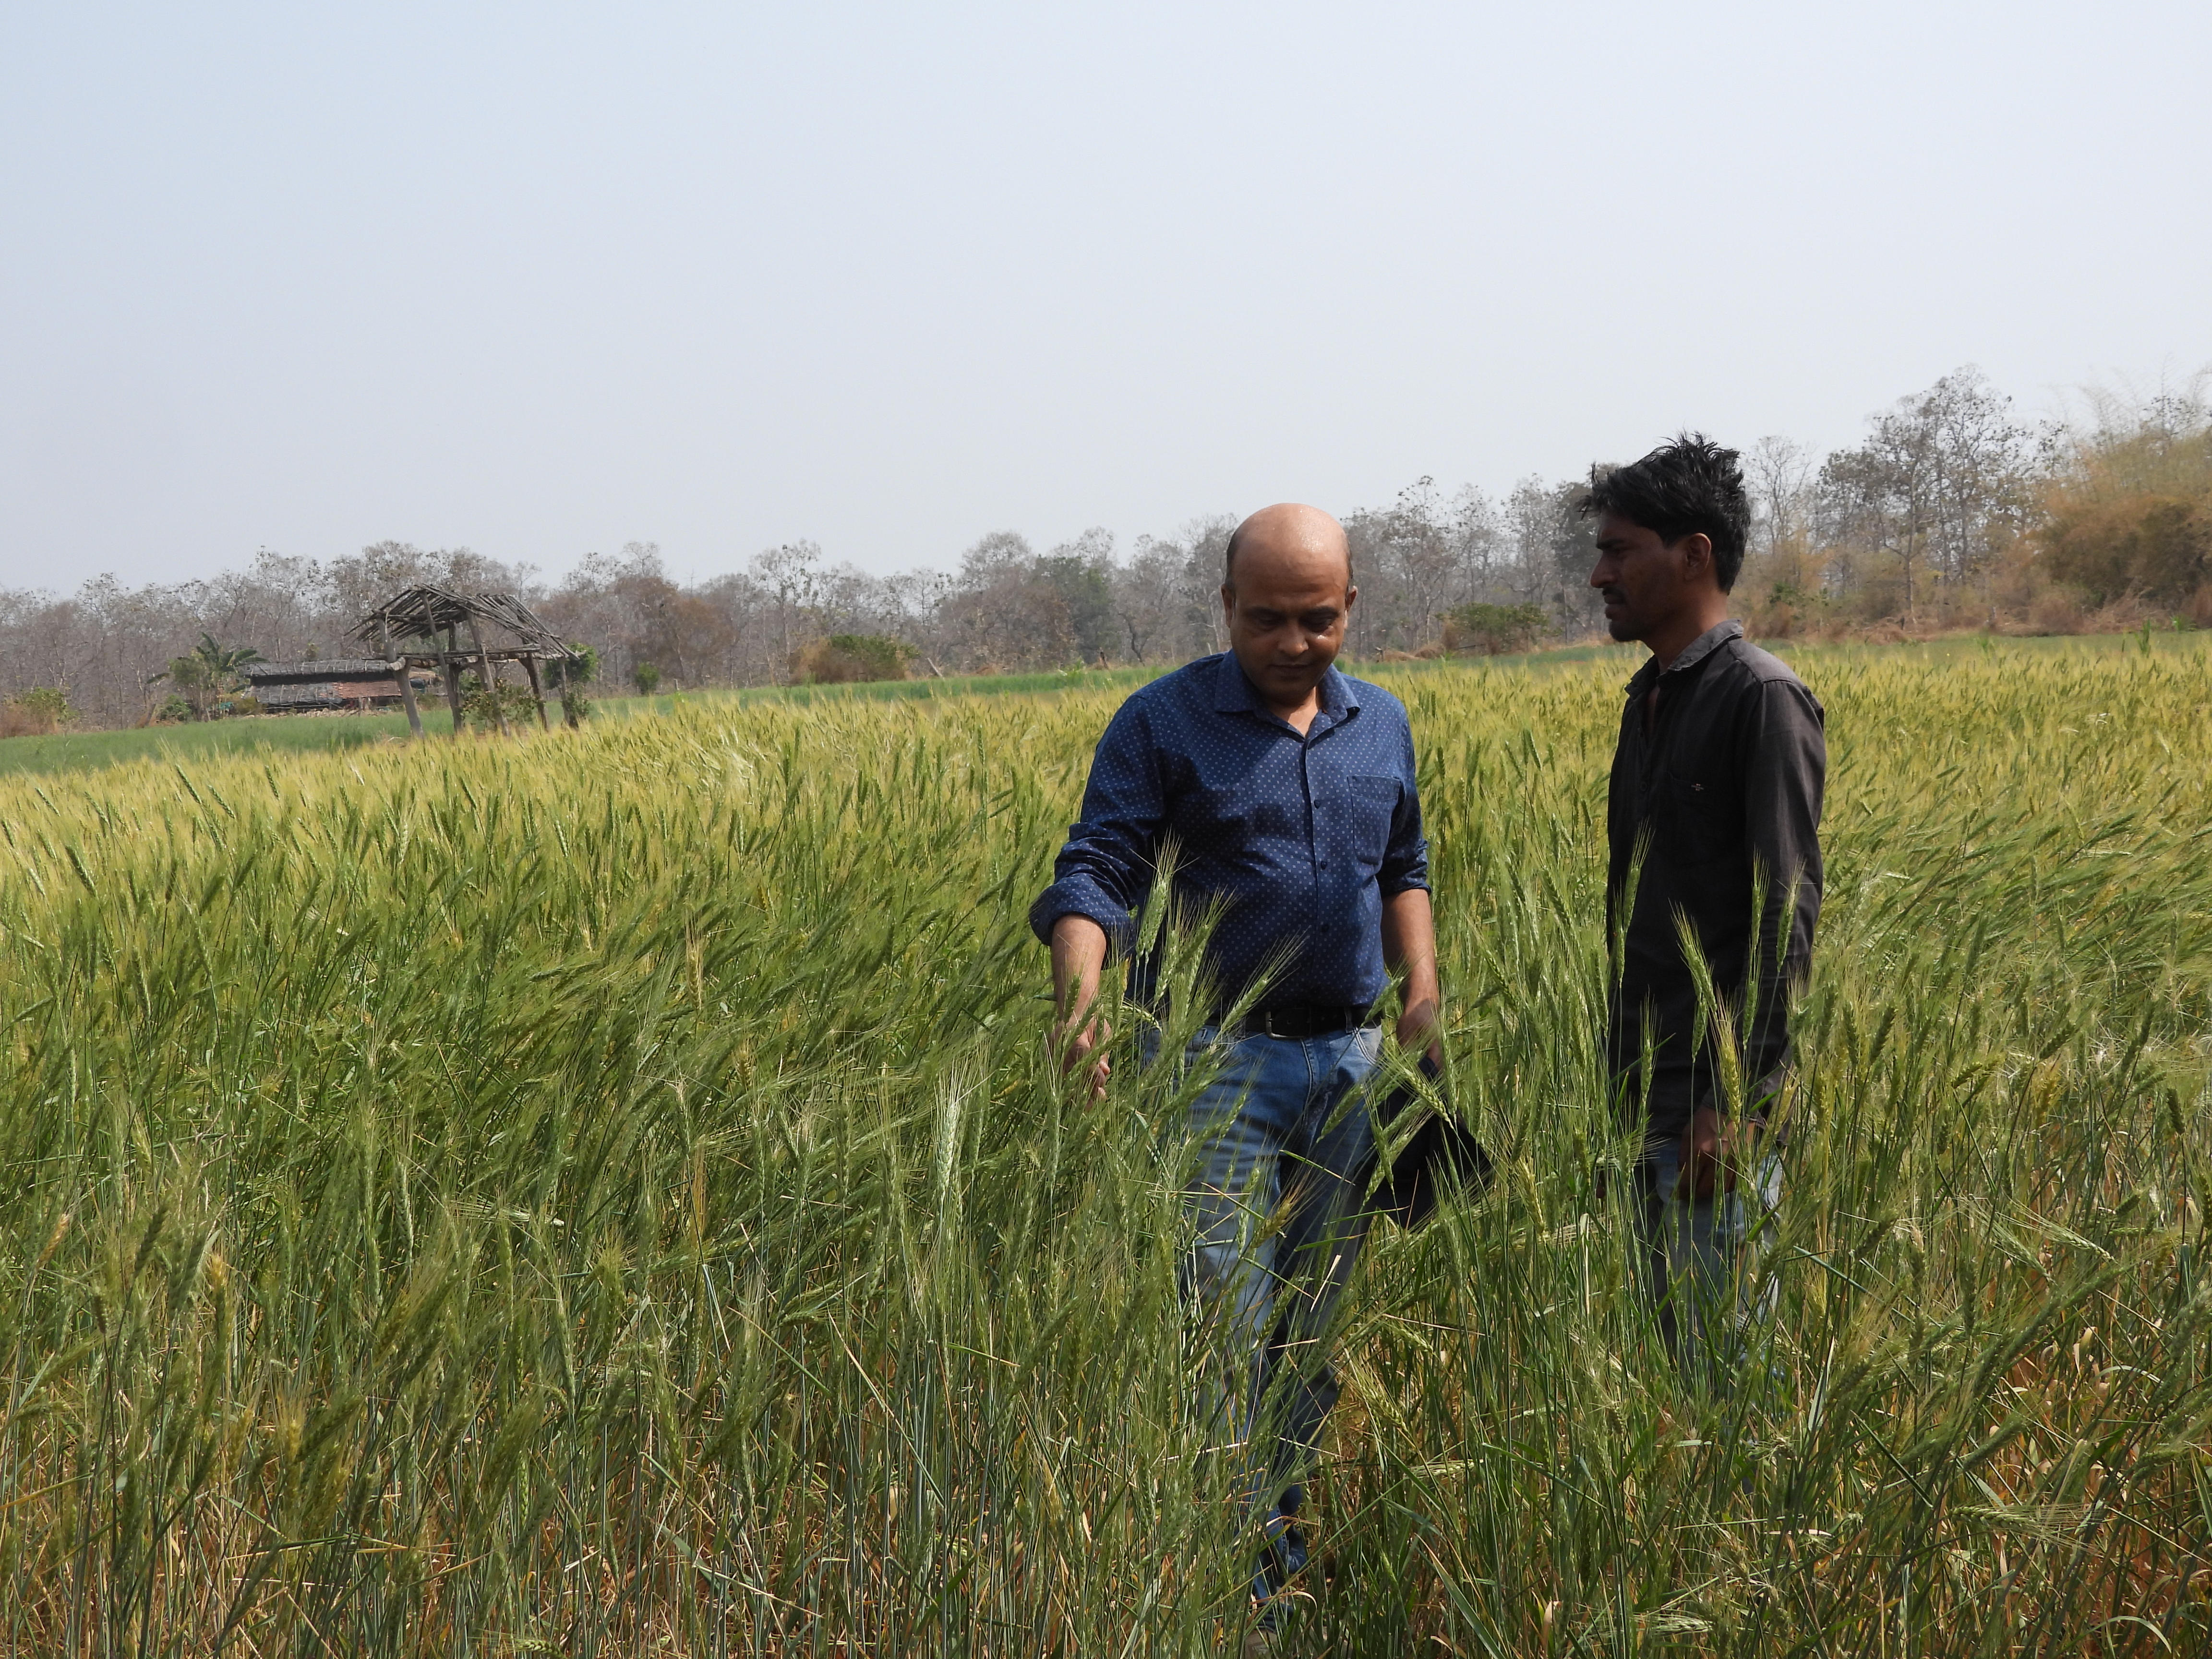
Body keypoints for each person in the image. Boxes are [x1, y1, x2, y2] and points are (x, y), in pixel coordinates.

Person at [1030, 503, 1439, 1644]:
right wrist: (1083, 1007)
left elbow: (1403, 865)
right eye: (1268, 618)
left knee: (1313, 1336)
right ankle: (1229, 1584)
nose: (1295, 641)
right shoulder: (1162, 723)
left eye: (1319, 618)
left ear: (1352, 607)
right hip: (1210, 1064)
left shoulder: (1383, 724)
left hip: (1351, 1066)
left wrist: (1421, 995)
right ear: (1226, 608)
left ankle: (1285, 1562)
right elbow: (1094, 873)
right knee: (1221, 1326)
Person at [1583, 435, 1826, 1384]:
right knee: (1672, 1371)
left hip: (1712, 1116)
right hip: (1642, 1094)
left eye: (1620, 550)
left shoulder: (1761, 699)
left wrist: (1737, 1101)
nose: (1600, 574)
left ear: (1694, 555)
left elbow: (1786, 918)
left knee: (1731, 1380)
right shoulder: (1649, 698)